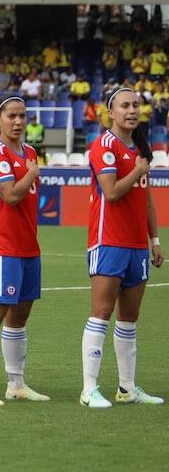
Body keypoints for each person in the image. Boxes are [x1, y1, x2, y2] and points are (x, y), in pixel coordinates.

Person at [80, 87, 164, 408]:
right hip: (108, 241)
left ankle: (127, 388)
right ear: (110, 113)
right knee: (101, 312)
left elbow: (147, 202)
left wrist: (154, 241)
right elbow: (112, 192)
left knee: (130, 318)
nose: (132, 110)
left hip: (136, 246)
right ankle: (89, 389)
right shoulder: (104, 146)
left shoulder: (141, 148)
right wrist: (139, 170)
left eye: (136, 105)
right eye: (125, 105)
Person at [0, 95, 49, 406]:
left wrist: (30, 169)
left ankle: (16, 383)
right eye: (12, 116)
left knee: (20, 315)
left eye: (22, 116)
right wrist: (31, 173)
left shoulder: (29, 151)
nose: (18, 121)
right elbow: (10, 195)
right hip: (2, 245)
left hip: (28, 244)